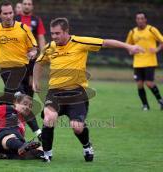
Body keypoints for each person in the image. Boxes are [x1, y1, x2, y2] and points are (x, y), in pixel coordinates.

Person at [33, 17, 144, 162]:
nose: (54, 37)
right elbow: (38, 63)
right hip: (55, 92)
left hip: (77, 93)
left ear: (66, 32)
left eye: (57, 33)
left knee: (77, 126)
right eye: (52, 33)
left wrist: (129, 47)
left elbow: (105, 42)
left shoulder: (80, 42)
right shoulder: (50, 47)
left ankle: (87, 146)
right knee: (49, 118)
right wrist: (35, 81)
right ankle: (47, 154)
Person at [126, 12, 163, 111]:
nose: (140, 20)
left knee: (149, 83)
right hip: (137, 62)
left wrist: (157, 49)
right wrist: (130, 50)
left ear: (145, 20)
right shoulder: (133, 32)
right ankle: (145, 105)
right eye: (138, 18)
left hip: (150, 61)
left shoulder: (151, 29)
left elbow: (162, 41)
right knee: (139, 84)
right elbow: (128, 45)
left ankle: (160, 100)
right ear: (136, 20)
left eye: (142, 18)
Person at [15, 0, 46, 97]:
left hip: (32, 56)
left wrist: (43, 53)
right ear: (22, 5)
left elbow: (41, 37)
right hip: (17, 56)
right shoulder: (15, 19)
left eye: (29, 4)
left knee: (30, 83)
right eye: (25, 4)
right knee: (17, 81)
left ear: (32, 6)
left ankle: (28, 106)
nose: (27, 6)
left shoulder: (36, 20)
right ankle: (16, 105)